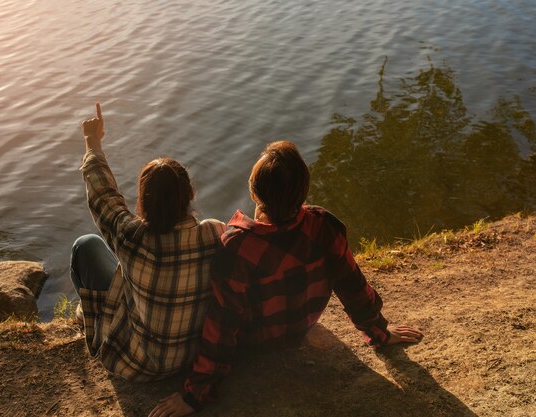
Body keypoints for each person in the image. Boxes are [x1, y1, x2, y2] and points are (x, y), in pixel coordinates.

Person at [149, 141, 423, 416]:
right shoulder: (325, 226)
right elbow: (353, 287)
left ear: (255, 194)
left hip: (254, 343)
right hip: (300, 327)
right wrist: (380, 332)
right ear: (303, 190)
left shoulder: (239, 247)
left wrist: (194, 395)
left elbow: (221, 324)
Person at [71, 102, 226, 381]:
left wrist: (92, 140)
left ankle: (88, 317)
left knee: (86, 246)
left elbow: (102, 193)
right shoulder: (214, 234)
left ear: (142, 201)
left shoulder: (129, 235)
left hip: (137, 362)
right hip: (192, 357)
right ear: (190, 193)